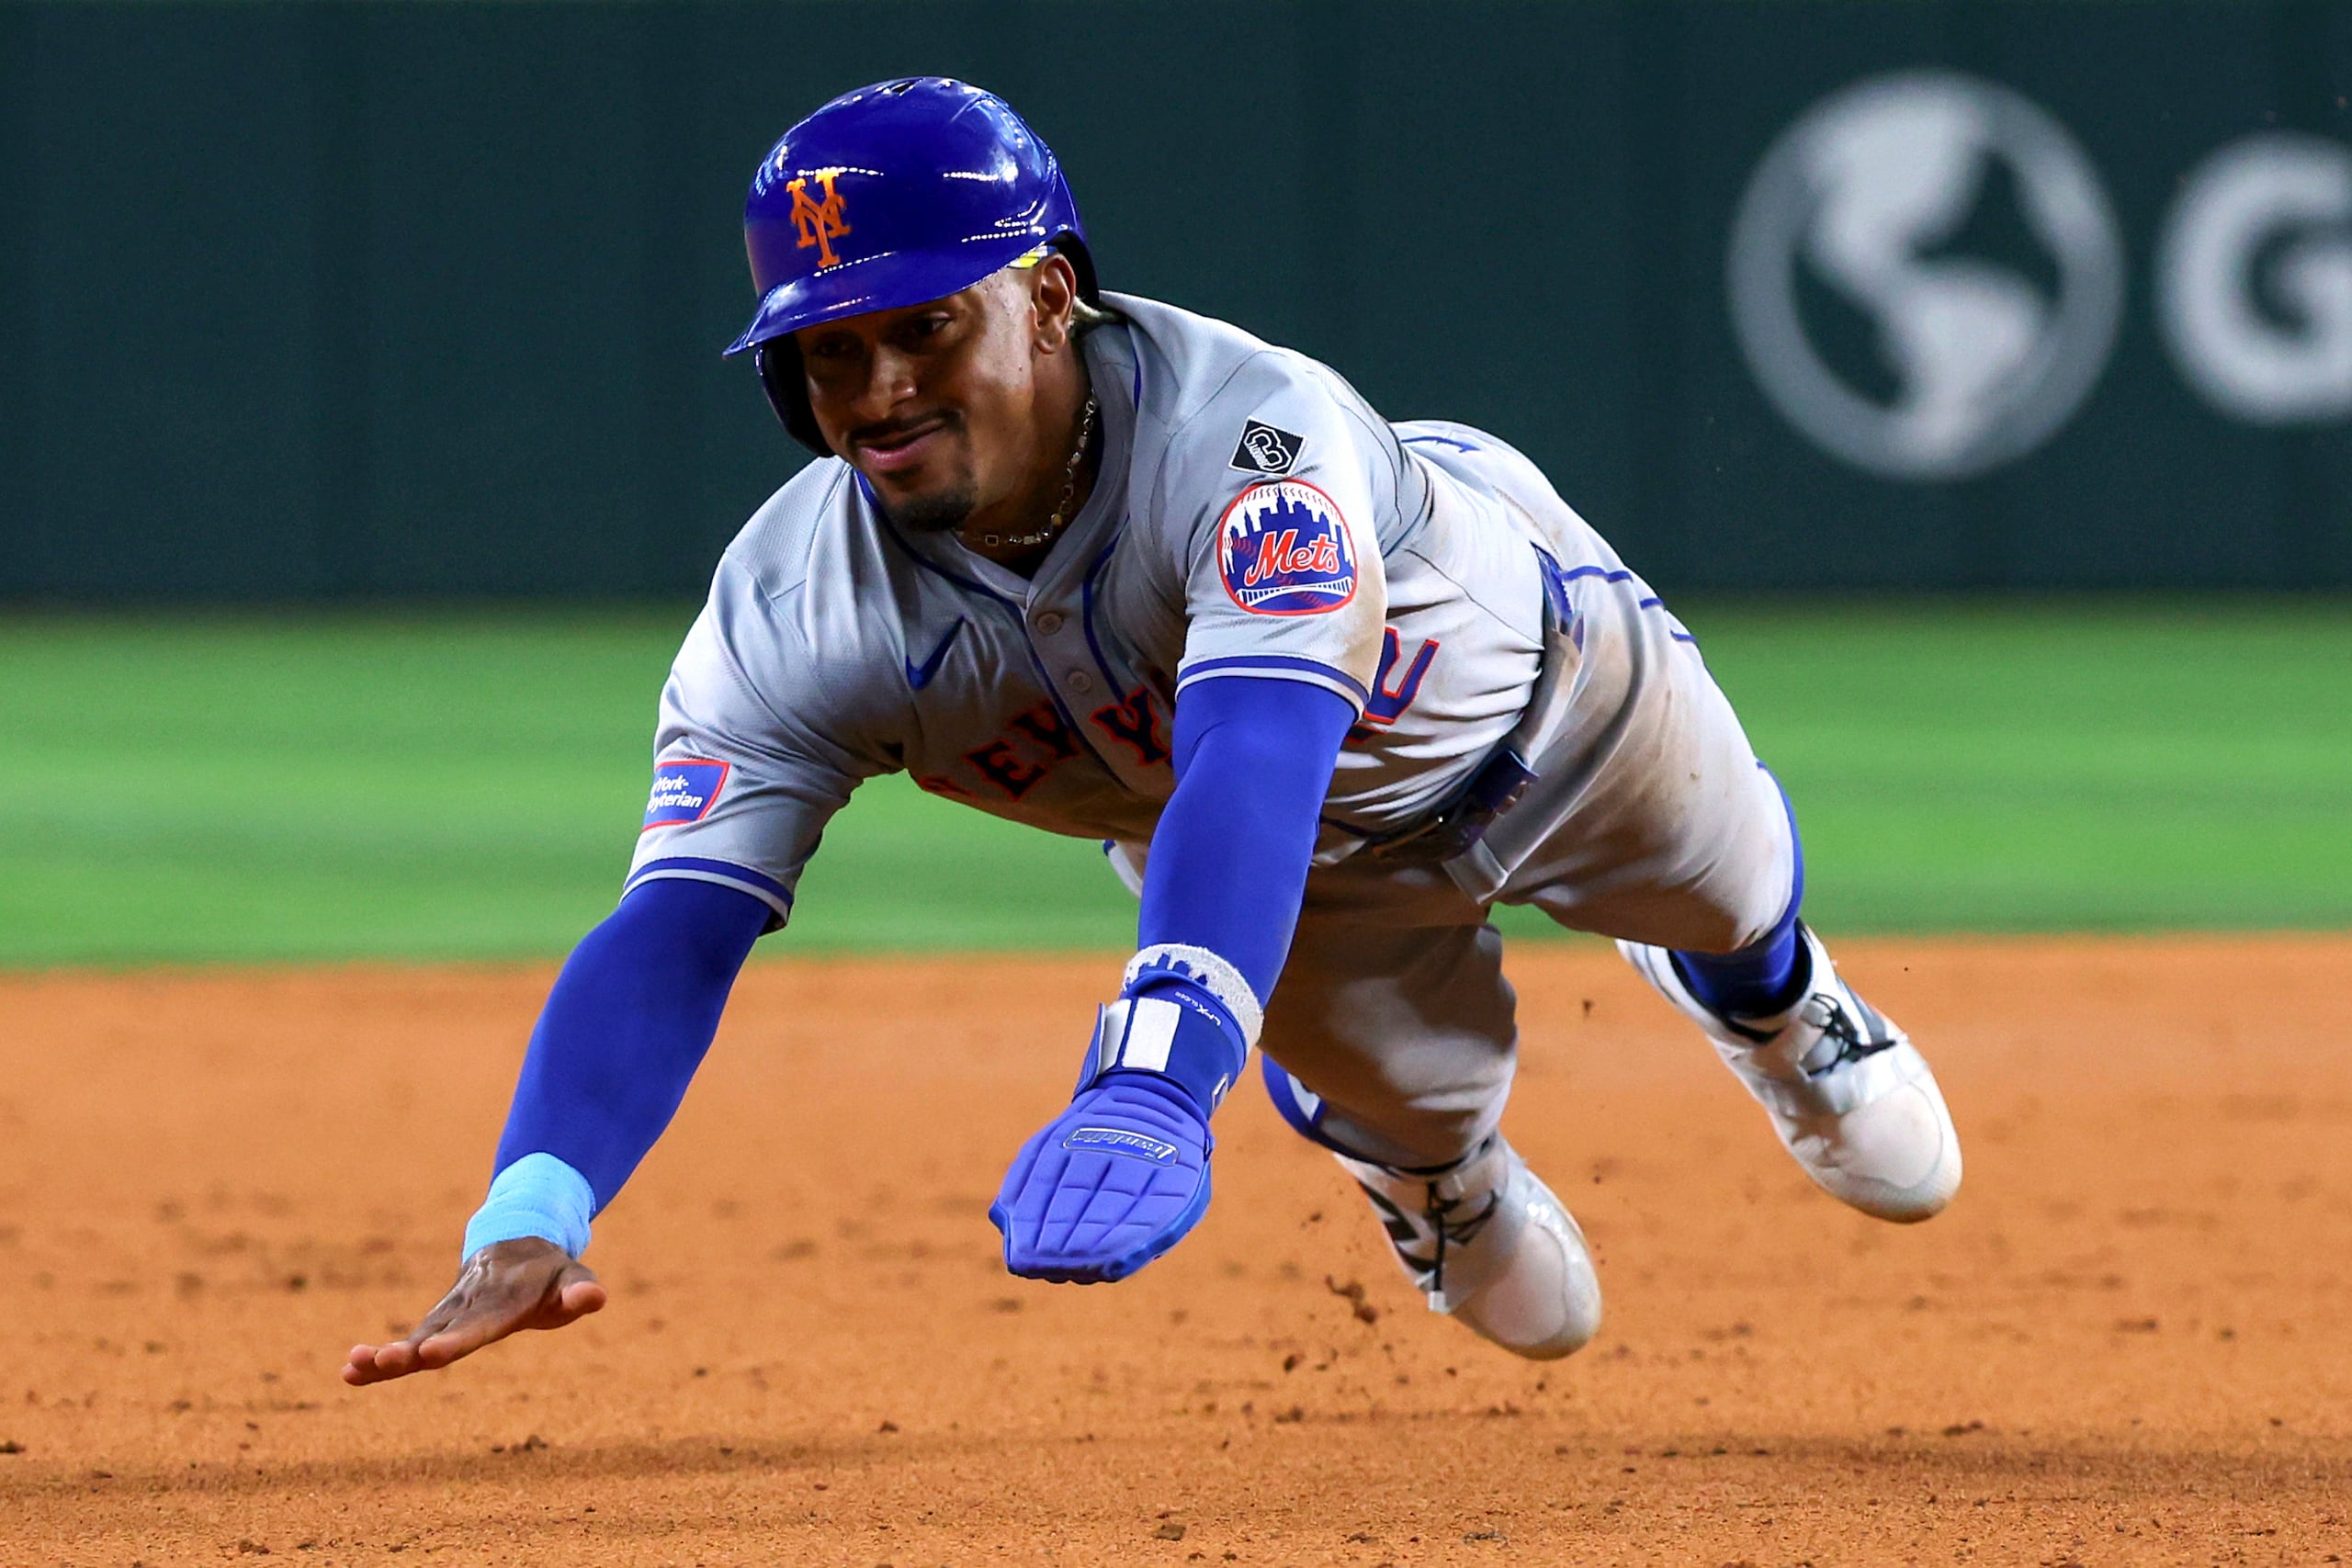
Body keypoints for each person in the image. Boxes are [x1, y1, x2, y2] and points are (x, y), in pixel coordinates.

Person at [342, 78, 1960, 1385]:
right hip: (1306, 886)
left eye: (923, 326)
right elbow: (678, 926)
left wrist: (1155, 1077)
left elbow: (1256, 748)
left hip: (1565, 707)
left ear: (1048, 296)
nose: (880, 388)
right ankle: (1432, 1180)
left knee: (1736, 905)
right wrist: (532, 1204)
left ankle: (1773, 1007)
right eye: (831, 350)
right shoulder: (794, 605)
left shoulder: (1247, 438)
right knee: (1478, 1215)